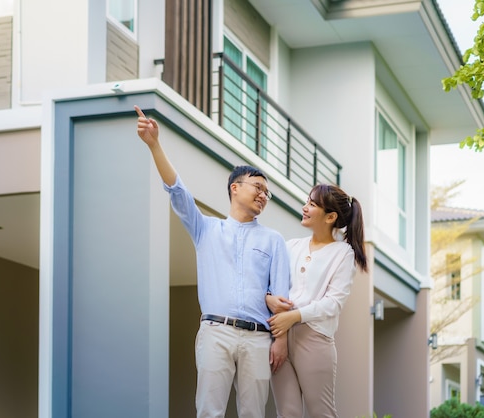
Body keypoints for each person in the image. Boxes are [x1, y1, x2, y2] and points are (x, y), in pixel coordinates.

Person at [134, 105, 290, 418]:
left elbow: (282, 301)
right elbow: (177, 191)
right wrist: (154, 145)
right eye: (258, 187)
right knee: (209, 411)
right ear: (235, 187)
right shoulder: (206, 228)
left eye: (267, 193)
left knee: (254, 414)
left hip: (259, 338)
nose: (263, 195)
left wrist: (281, 341)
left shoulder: (274, 240)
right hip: (215, 332)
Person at [266, 183, 367, 418]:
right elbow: (268, 285)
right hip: (279, 337)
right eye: (307, 202)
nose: (305, 208)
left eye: (312, 204)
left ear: (330, 216)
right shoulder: (291, 246)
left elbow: (334, 302)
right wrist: (269, 299)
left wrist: (294, 315)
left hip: (314, 339)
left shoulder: (343, 253)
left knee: (321, 413)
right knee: (287, 413)